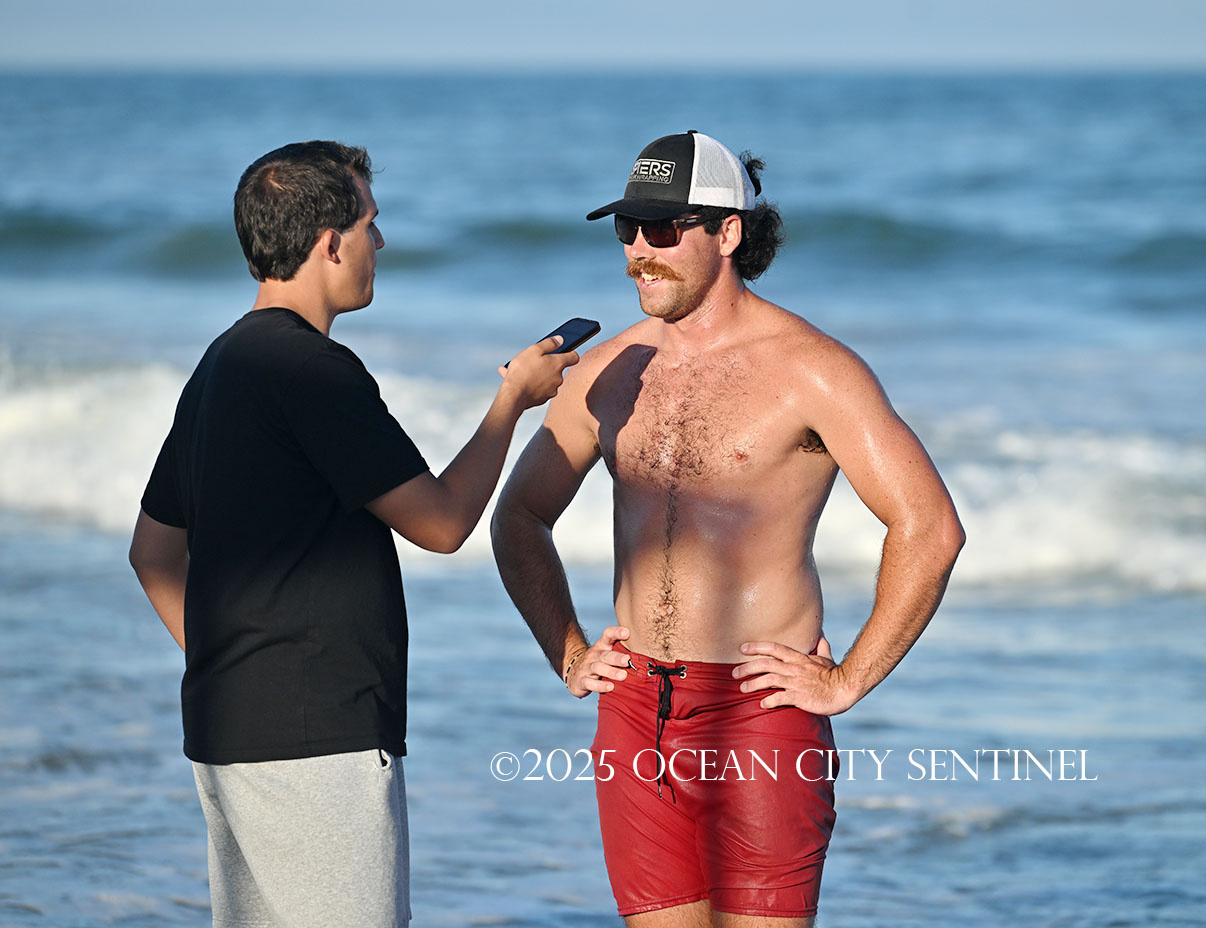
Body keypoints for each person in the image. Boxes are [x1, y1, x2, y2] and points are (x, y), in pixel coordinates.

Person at [491, 130, 965, 927]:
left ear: (728, 233)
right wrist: (566, 650)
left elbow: (929, 526)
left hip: (759, 711)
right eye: (627, 229)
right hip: (636, 709)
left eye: (663, 229)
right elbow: (519, 514)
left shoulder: (812, 369)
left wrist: (848, 680)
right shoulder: (607, 373)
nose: (640, 252)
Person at [128, 140, 577, 928]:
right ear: (331, 243)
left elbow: (153, 552)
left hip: (227, 725)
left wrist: (236, 663)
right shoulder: (313, 371)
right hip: (320, 740)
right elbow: (442, 523)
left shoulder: (221, 365)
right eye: (371, 223)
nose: (382, 241)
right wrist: (513, 401)